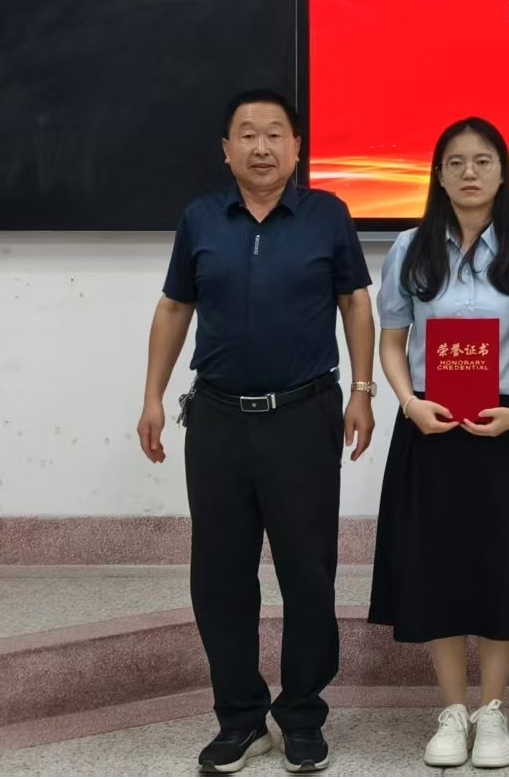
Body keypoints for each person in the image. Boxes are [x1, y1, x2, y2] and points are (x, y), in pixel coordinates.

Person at [138, 88, 375, 775]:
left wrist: (363, 391)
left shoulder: (327, 215)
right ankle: (240, 719)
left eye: (275, 133)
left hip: (304, 414)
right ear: (226, 149)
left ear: (297, 147)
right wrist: (151, 397)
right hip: (216, 419)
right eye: (247, 134)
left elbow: (354, 302)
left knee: (308, 571)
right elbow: (174, 308)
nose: (262, 146)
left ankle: (302, 714)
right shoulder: (200, 219)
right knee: (219, 574)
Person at [367, 118, 509, 770]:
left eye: (482, 161)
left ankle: (492, 711)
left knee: (502, 569)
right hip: (431, 425)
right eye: (455, 162)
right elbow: (393, 341)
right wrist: (409, 402)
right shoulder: (409, 247)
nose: (469, 173)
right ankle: (451, 711)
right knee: (437, 570)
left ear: (503, 172)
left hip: (505, 430)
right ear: (439, 175)